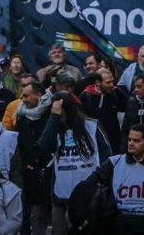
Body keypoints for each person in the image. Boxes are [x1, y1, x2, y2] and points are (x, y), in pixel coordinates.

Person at [37, 91, 112, 235]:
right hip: (61, 195)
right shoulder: (54, 128)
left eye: (60, 110)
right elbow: (43, 146)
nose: (58, 113)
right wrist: (53, 117)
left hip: (87, 196)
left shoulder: (92, 126)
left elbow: (107, 154)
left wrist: (102, 185)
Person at [83, 124, 144, 234]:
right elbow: (88, 186)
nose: (131, 143)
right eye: (129, 139)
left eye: (136, 141)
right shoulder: (113, 163)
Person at [14, 81, 52, 235]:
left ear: (38, 95)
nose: (23, 99)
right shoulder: (22, 117)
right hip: (29, 173)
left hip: (50, 171)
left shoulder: (52, 114)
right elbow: (18, 144)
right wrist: (23, 164)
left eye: (26, 95)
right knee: (33, 214)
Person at [79, 68, 129, 154]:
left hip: (114, 142)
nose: (111, 85)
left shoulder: (116, 93)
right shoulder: (86, 96)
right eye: (108, 82)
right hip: (93, 142)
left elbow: (130, 107)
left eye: (112, 81)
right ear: (98, 82)